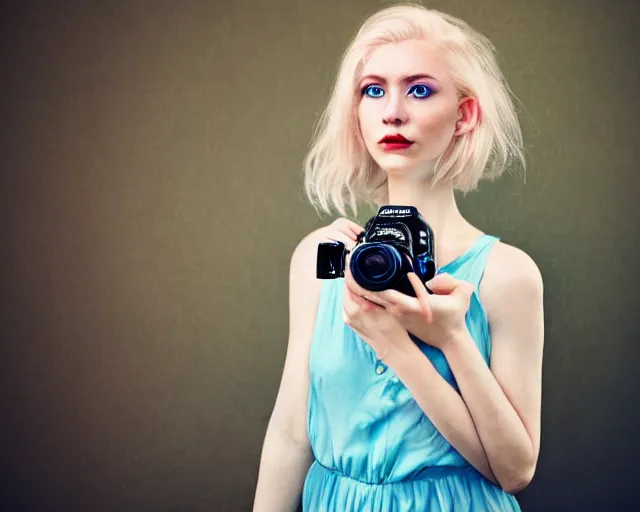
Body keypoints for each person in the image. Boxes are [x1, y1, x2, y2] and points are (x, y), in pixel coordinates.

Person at [253, 3, 544, 511]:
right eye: (373, 90)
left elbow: (515, 470)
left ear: (465, 114)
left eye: (419, 89)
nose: (392, 111)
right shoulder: (322, 259)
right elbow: (291, 434)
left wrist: (423, 341)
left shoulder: (506, 275)